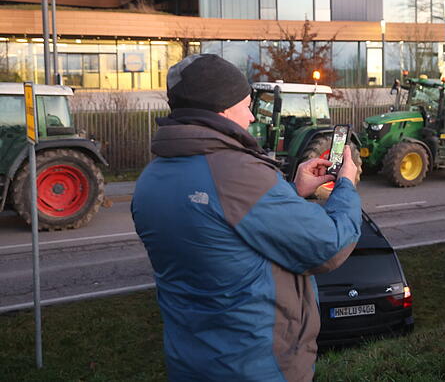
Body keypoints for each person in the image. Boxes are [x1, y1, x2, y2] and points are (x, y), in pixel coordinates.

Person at [131, 54, 361, 382]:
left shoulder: (151, 179)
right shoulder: (237, 174)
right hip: (256, 365)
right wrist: (347, 187)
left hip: (190, 361)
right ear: (222, 108)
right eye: (247, 104)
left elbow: (221, 235)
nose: (252, 116)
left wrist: (291, 193)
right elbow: (328, 245)